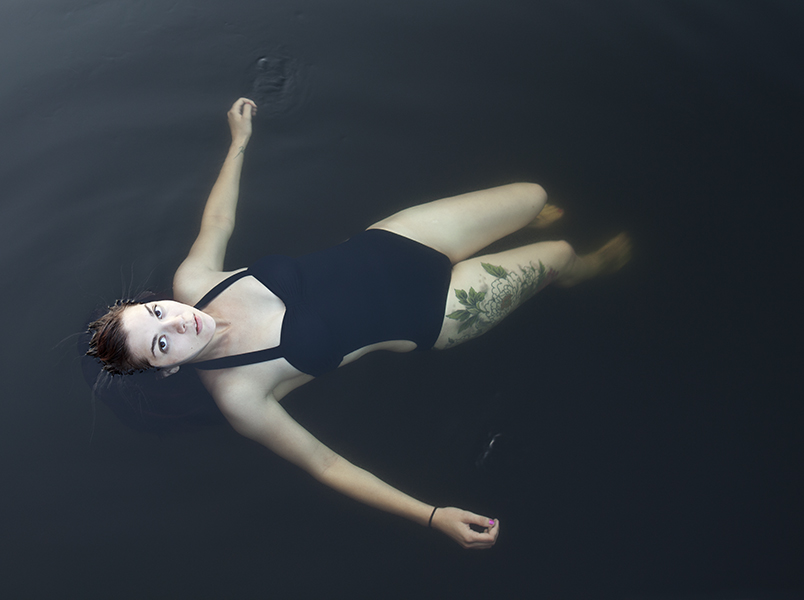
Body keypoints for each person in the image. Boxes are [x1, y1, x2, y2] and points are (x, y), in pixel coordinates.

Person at [87, 97, 631, 549]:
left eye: (157, 313)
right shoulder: (239, 395)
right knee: (559, 251)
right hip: (436, 311)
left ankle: (538, 233)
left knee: (532, 194)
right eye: (162, 344)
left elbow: (219, 219)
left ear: (155, 300)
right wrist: (432, 515)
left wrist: (239, 141)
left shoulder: (195, 281)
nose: (179, 324)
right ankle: (583, 270)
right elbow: (327, 465)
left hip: (397, 242)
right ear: (165, 371)